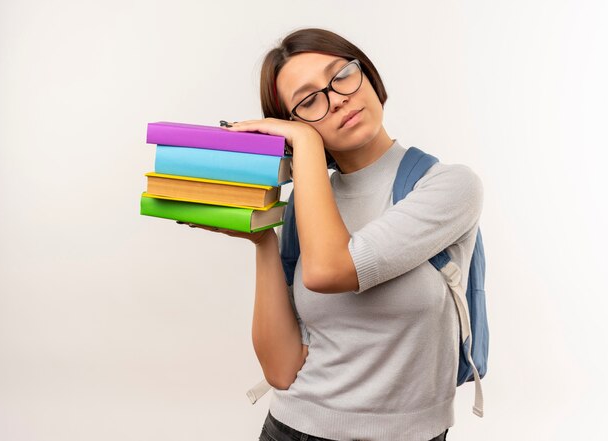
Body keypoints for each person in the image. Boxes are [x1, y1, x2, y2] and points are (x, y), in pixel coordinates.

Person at [178, 28, 483, 441]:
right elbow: (281, 371)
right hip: (292, 429)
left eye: (341, 75)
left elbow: (329, 270)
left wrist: (303, 136)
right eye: (308, 101)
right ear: (288, 125)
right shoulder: (307, 206)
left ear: (370, 77)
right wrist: (263, 239)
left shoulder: (448, 186)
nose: (337, 98)